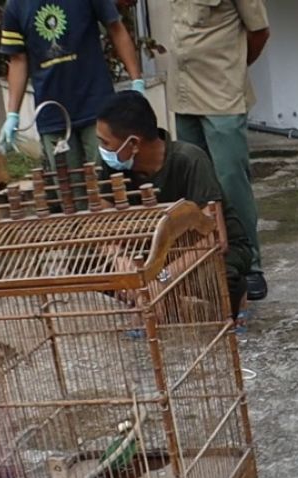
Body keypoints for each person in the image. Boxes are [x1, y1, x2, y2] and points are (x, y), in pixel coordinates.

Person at [95, 91, 253, 316]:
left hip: (200, 249)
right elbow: (102, 226)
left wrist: (161, 277)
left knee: (222, 278)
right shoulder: (112, 164)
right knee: (87, 264)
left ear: (134, 144)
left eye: (105, 142)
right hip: (152, 251)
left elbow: (216, 238)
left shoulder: (189, 160)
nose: (102, 149)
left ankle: (231, 300)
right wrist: (119, 259)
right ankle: (155, 303)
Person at [169, 0, 270, 302]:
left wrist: (234, 71)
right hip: (184, 94)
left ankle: (249, 265)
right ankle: (203, 263)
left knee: (231, 182)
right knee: (192, 186)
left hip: (222, 94)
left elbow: (260, 32)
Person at [0, 0, 144, 169]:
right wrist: (12, 115)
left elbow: (116, 28)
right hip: (52, 113)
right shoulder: (16, 6)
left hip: (96, 106)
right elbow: (18, 60)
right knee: (68, 187)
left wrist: (137, 81)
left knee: (108, 182)